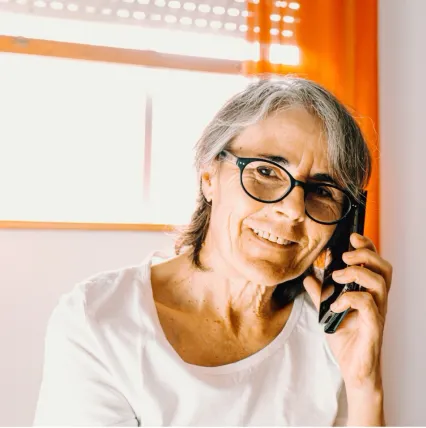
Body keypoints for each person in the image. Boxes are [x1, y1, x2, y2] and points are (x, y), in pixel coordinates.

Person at [33, 77, 393, 426]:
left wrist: (364, 386)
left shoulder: (333, 330)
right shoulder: (100, 321)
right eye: (266, 171)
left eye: (324, 191)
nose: (294, 209)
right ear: (208, 177)